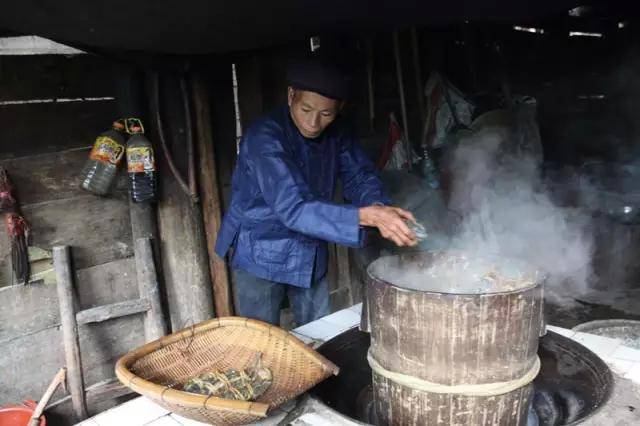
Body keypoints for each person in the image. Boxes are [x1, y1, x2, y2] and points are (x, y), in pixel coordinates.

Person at [215, 55, 418, 326]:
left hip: (308, 244)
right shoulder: (265, 138)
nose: (313, 123)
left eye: (326, 114)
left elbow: (360, 176)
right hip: (260, 245)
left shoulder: (338, 132)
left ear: (339, 109)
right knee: (261, 340)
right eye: (306, 109)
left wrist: (378, 206)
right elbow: (293, 208)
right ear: (291, 96)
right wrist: (366, 217)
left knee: (319, 334)